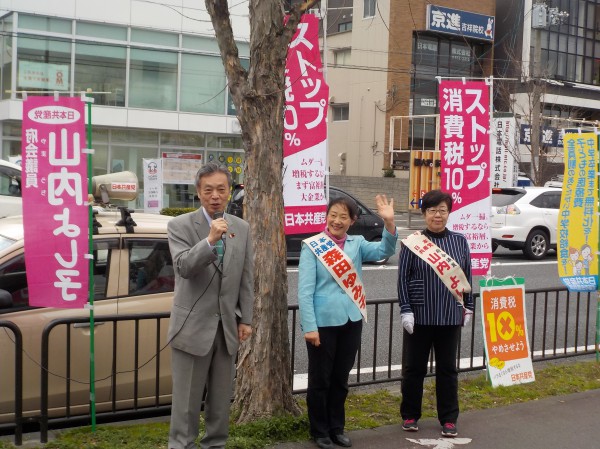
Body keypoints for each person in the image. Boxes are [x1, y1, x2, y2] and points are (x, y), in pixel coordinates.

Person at [298, 194, 398, 449]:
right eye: (333, 215)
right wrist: (309, 327)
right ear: (327, 217)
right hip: (322, 323)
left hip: (351, 320)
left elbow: (385, 250)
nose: (337, 220)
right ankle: (319, 431)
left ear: (352, 221)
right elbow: (305, 291)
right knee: (320, 379)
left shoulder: (357, 243)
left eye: (344, 216)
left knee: (341, 378)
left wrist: (389, 224)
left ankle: (337, 427)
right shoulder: (313, 246)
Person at [166, 162, 254, 449]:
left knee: (219, 406)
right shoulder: (179, 225)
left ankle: (215, 445)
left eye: (221, 189)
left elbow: (245, 277)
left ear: (230, 192)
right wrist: (210, 239)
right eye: (208, 190)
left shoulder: (241, 228)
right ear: (199, 193)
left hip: (226, 328)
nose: (215, 195)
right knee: (186, 407)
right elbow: (184, 267)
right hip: (191, 329)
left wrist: (246, 319)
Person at [397, 189, 474, 438]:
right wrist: (406, 310)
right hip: (419, 315)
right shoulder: (412, 242)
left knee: (448, 370)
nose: (437, 215)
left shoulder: (460, 241)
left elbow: (467, 277)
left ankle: (449, 418)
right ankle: (410, 414)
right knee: (413, 369)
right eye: (432, 210)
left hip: (450, 315)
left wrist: (469, 306)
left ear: (449, 213)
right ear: (424, 213)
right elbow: (403, 280)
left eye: (442, 210)